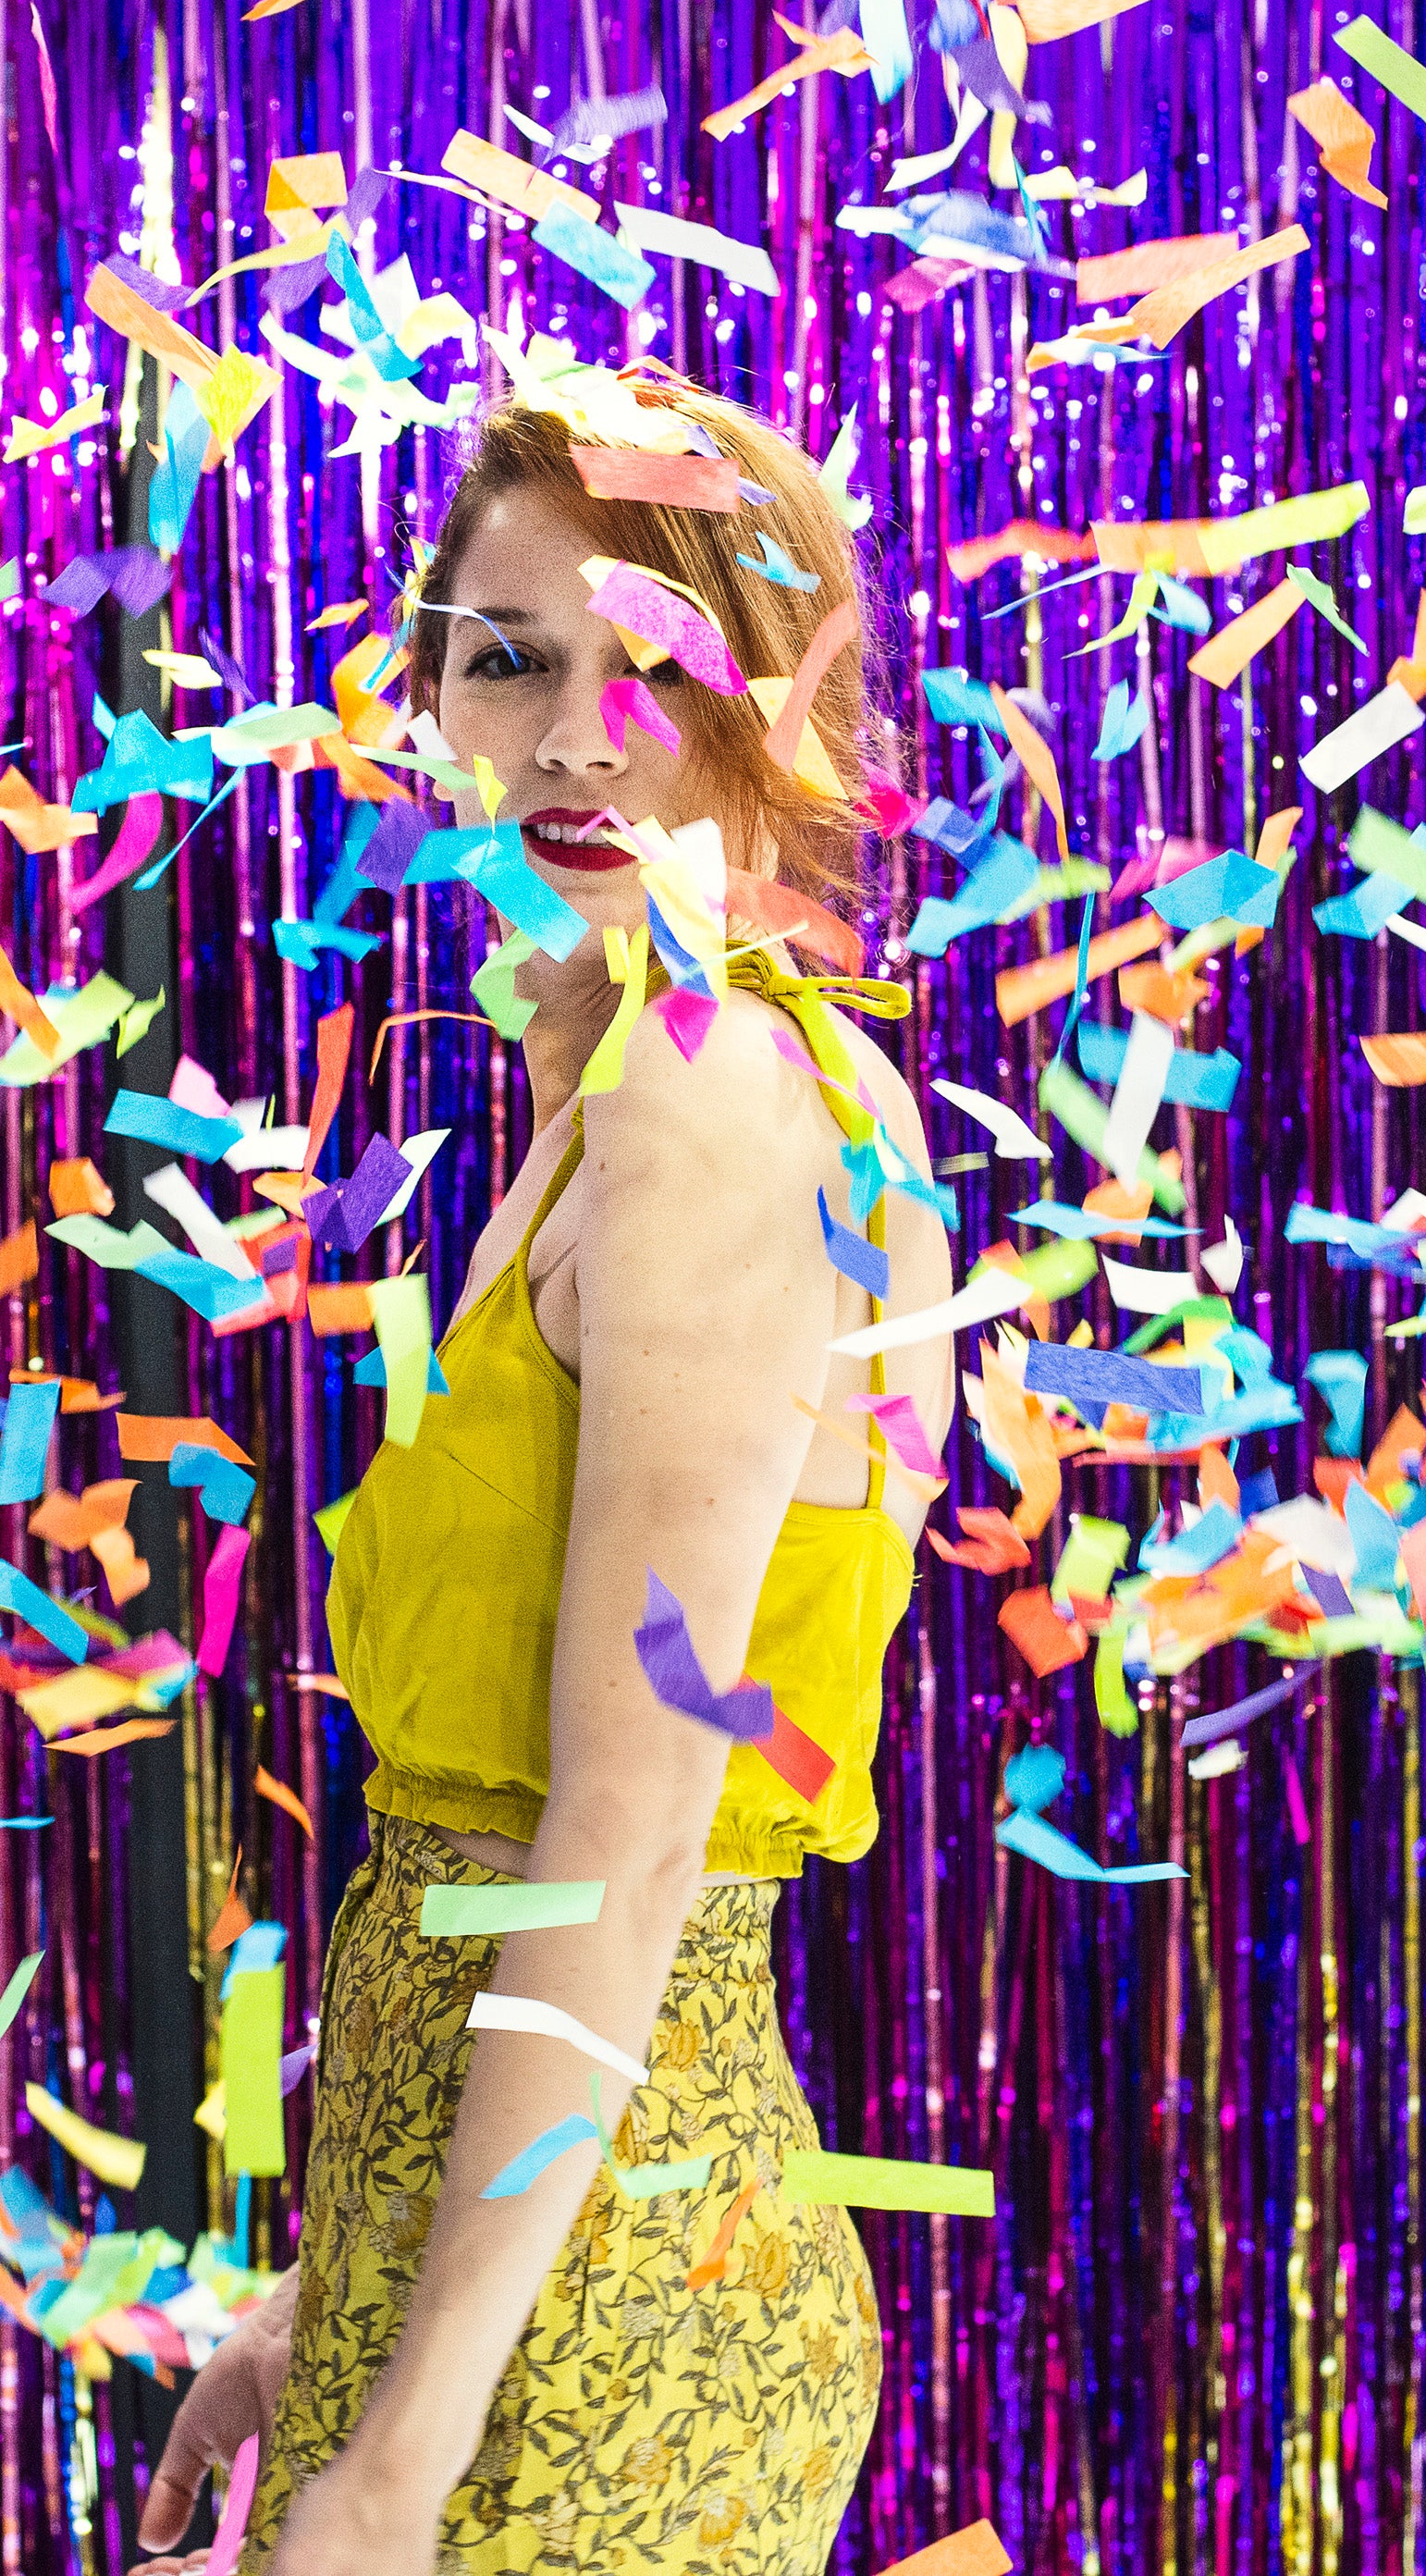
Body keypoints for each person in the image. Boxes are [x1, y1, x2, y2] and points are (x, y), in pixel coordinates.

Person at [129, 363, 954, 2576]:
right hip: (518, 2264)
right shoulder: (646, 1083)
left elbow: (624, 1833)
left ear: (773, 706)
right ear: (436, 702)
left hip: (602, 2320)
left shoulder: (713, 1114)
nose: (578, 736)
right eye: (512, 663)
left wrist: (404, 2453)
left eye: (657, 669)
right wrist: (341, 2299)